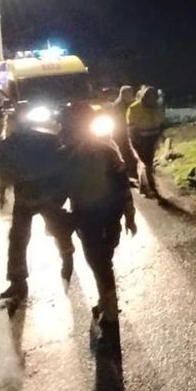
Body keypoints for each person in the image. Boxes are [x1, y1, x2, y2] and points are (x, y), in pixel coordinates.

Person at [62, 105, 137, 332]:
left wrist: (56, 218)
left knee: (98, 260)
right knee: (104, 259)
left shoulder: (67, 154)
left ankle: (109, 306)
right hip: (110, 213)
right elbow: (123, 185)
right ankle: (106, 301)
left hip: (88, 216)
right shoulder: (107, 150)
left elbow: (59, 189)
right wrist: (129, 215)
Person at [0, 130, 76, 301]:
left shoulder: (9, 145)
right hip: (36, 196)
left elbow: (4, 175)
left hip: (36, 195)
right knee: (50, 230)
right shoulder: (46, 140)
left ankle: (19, 281)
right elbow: (63, 168)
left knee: (21, 237)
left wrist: (2, 193)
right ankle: (66, 257)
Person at [127, 85, 166, 199]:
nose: (152, 100)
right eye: (149, 97)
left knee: (146, 164)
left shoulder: (157, 107)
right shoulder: (134, 108)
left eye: (154, 97)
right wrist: (137, 141)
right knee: (146, 164)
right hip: (139, 140)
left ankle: (143, 187)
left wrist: (159, 137)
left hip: (152, 139)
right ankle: (151, 187)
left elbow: (161, 123)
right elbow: (131, 127)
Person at [111, 85, 138, 181]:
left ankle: (134, 172)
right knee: (124, 152)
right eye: (125, 93)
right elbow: (116, 118)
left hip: (133, 132)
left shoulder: (135, 103)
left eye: (129, 92)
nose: (128, 95)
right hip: (120, 132)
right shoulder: (117, 105)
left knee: (133, 153)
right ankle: (128, 173)